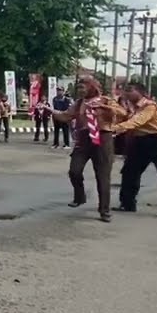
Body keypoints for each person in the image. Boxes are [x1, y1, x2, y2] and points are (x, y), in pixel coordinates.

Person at [52, 77, 122, 222]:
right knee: (74, 171)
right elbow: (66, 116)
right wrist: (51, 111)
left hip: (103, 138)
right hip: (84, 139)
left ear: (91, 87)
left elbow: (122, 112)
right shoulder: (79, 103)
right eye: (78, 88)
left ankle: (104, 210)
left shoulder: (105, 100)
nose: (80, 90)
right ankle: (79, 197)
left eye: (83, 87)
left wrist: (105, 108)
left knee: (103, 176)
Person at [111, 82, 157, 214]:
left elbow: (137, 121)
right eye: (125, 91)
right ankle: (127, 204)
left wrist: (114, 128)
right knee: (129, 171)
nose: (126, 93)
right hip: (140, 141)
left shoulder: (149, 106)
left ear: (140, 92)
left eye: (130, 90)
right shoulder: (130, 107)